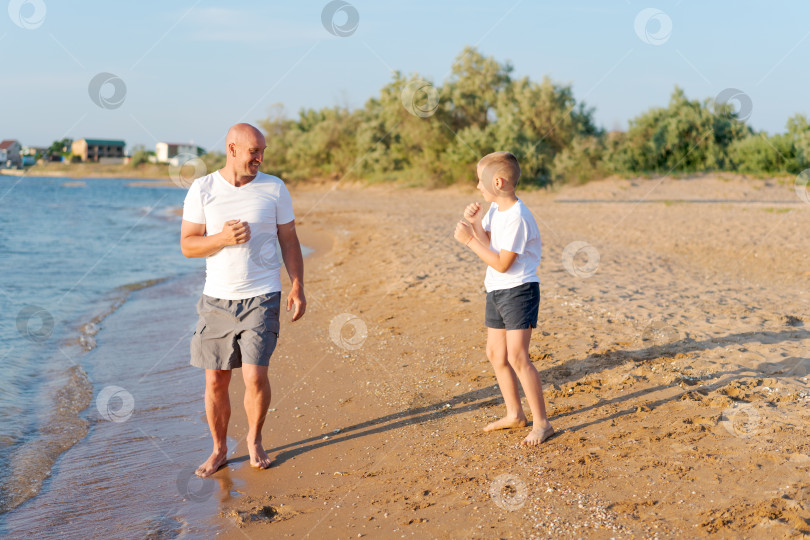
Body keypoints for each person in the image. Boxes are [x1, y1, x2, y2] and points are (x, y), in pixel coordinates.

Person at [180, 123, 306, 477]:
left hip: (262, 295)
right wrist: (221, 238)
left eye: (262, 151)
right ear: (232, 149)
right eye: (254, 151)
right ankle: (219, 449)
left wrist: (297, 285)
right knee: (216, 380)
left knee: (254, 376)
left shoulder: (274, 188)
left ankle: (254, 439)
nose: (260, 158)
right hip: (216, 300)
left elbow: (289, 239)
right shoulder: (203, 189)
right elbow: (188, 245)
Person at [453, 151, 554, 446]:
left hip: (519, 291)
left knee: (517, 357)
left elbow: (502, 264)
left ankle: (542, 423)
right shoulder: (496, 210)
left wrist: (468, 241)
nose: (477, 187)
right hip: (497, 290)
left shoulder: (518, 217)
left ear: (497, 182)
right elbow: (490, 245)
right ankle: (514, 414)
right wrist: (476, 224)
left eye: (479, 181)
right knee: (496, 355)